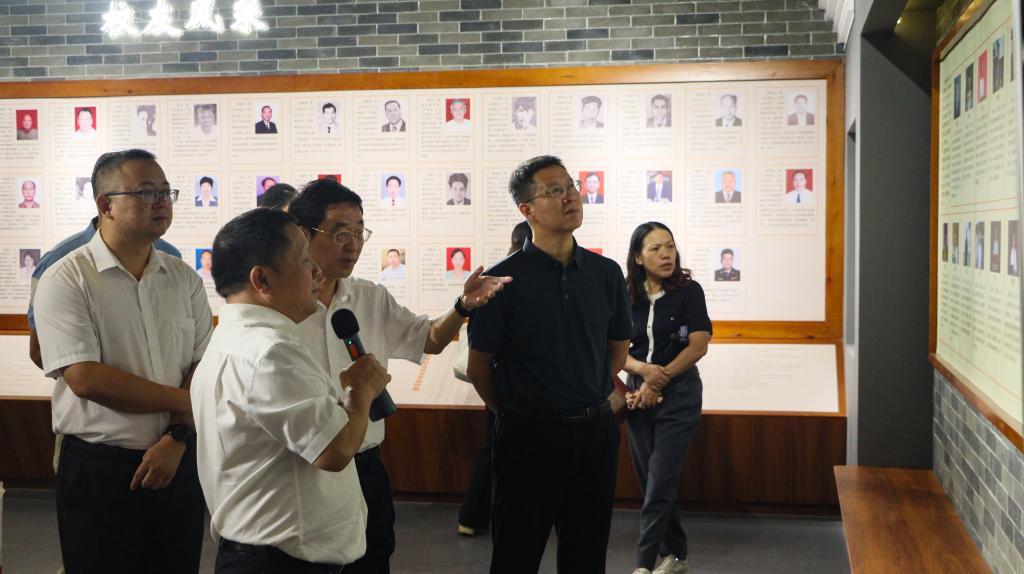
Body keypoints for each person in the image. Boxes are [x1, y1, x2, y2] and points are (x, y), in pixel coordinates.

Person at [289, 178, 510, 573]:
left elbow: (429, 338)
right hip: (306, 469)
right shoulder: (284, 307)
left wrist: (463, 305)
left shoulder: (370, 297)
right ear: (304, 234)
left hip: (367, 465)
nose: (352, 245)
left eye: (359, 232)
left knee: (374, 560)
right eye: (340, 233)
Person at [34, 149, 212, 573]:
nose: (162, 202)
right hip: (100, 469)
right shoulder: (66, 277)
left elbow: (202, 364)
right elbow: (85, 378)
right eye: (146, 192)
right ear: (105, 205)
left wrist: (177, 436)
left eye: (166, 192)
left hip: (176, 458)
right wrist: (186, 403)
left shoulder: (182, 277)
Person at [190, 208, 389, 573]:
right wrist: (361, 389)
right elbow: (335, 450)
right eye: (304, 261)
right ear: (262, 279)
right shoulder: (270, 351)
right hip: (279, 562)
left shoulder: (234, 338)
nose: (317, 273)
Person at [467, 155, 631, 573]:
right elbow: (479, 368)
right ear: (528, 209)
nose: (570, 197)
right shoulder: (501, 281)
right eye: (554, 191)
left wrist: (589, 389)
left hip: (594, 433)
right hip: (529, 435)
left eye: (571, 186)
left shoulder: (606, 273)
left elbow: (616, 351)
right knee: (516, 555)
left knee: (587, 556)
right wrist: (512, 411)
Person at [622, 222, 711, 574]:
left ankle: (643, 565)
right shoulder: (626, 294)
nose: (665, 254)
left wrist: (657, 380)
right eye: (656, 248)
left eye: (670, 246)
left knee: (659, 481)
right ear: (638, 257)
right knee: (652, 482)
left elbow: (698, 345)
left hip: (680, 395)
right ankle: (676, 555)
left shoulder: (689, 291)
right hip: (636, 395)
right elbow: (612, 349)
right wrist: (642, 371)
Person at [457, 220, 532, 537]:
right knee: (499, 449)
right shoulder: (503, 282)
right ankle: (483, 516)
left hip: (500, 383)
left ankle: (474, 517)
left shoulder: (499, 279)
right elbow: (478, 363)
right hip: (510, 386)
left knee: (494, 447)